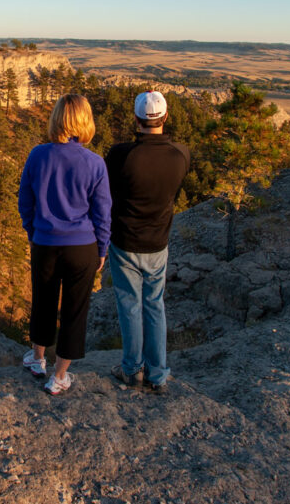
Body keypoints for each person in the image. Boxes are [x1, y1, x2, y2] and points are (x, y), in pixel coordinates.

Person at [18, 94, 111, 396]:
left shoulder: (38, 155)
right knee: (74, 310)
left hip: (45, 242)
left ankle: (37, 358)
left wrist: (33, 231)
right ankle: (59, 376)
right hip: (82, 245)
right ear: (85, 122)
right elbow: (102, 211)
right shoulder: (95, 163)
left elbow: (25, 202)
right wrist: (101, 249)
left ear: (56, 118)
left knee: (43, 300)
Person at [105, 90, 190, 393]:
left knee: (130, 305)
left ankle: (132, 370)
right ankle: (157, 375)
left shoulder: (120, 155)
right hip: (158, 242)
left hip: (125, 240)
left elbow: (108, 195)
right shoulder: (180, 154)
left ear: (136, 119)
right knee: (155, 305)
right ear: (166, 117)